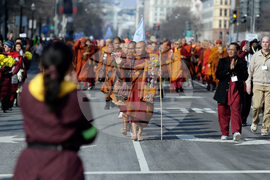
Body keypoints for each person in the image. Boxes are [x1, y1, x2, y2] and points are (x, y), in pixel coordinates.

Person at [12, 42, 97, 180]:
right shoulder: (77, 98)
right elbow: (90, 134)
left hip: (28, 165)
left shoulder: (27, 91)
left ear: (42, 63)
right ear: (69, 66)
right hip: (64, 166)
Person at [115, 41, 161, 141]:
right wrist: (119, 65)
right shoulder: (132, 59)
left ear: (145, 48)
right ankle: (135, 134)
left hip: (147, 89)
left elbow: (154, 74)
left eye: (140, 48)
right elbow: (123, 74)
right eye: (137, 48)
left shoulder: (151, 59)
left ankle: (140, 133)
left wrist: (159, 74)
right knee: (134, 110)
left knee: (146, 113)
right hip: (135, 89)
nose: (138, 50)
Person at [213, 42, 248, 141]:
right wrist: (229, 69)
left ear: (237, 51)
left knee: (236, 110)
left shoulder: (242, 63)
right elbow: (218, 75)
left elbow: (245, 76)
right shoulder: (222, 61)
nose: (231, 51)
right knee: (223, 111)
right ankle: (224, 132)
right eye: (229, 49)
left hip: (236, 88)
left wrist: (235, 68)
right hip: (224, 89)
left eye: (233, 50)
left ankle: (236, 132)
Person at [247, 36, 270, 136]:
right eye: (263, 42)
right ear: (261, 44)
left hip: (269, 85)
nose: (265, 44)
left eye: (267, 42)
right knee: (257, 106)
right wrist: (248, 84)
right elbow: (250, 71)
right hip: (257, 84)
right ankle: (255, 121)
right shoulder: (256, 56)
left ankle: (265, 128)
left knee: (268, 109)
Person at [95, 43, 114, 110]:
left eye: (112, 47)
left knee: (112, 90)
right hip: (106, 76)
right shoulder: (104, 55)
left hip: (114, 75)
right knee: (106, 90)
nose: (111, 49)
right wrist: (97, 75)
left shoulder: (115, 55)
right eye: (109, 47)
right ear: (107, 48)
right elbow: (99, 65)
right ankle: (107, 103)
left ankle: (111, 101)